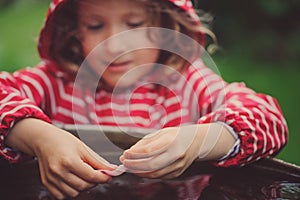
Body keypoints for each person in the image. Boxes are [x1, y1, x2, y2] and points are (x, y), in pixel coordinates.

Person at [0, 0, 288, 199]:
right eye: (95, 26)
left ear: (165, 26)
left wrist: (201, 139)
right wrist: (39, 137)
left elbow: (268, 118)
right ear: (74, 32)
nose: (115, 44)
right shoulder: (56, 83)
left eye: (134, 23)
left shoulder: (187, 84)